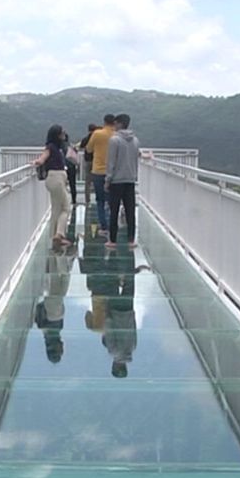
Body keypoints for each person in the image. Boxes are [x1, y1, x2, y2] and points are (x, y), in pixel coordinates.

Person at [102, 247, 140, 378]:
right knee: (112, 281)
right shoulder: (113, 351)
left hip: (128, 311)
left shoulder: (132, 348)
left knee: (129, 282)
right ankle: (113, 252)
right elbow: (109, 329)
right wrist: (106, 315)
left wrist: (133, 314)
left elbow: (134, 329)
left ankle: (128, 251)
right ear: (115, 366)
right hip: (114, 312)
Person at [32, 124, 72, 246]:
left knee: (56, 209)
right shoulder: (51, 147)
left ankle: (55, 236)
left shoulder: (56, 147)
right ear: (57, 135)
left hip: (55, 179)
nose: (63, 135)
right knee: (66, 207)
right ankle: (59, 234)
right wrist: (37, 161)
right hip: (56, 179)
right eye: (61, 133)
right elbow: (43, 158)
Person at [104, 113, 140, 248]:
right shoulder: (135, 140)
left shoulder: (114, 140)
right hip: (130, 179)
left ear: (119, 124)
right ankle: (131, 240)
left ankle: (112, 240)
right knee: (130, 210)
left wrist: (108, 179)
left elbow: (111, 162)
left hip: (116, 181)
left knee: (114, 210)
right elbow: (135, 160)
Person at [35, 245, 72, 362]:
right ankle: (54, 254)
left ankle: (56, 254)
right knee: (56, 276)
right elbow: (38, 312)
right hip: (51, 306)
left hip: (54, 310)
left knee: (58, 278)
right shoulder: (45, 332)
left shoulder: (53, 332)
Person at [85, 114, 117, 236]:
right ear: (114, 123)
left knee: (100, 200)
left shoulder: (97, 134)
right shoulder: (116, 135)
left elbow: (88, 149)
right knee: (112, 200)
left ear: (104, 122)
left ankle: (104, 227)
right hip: (113, 171)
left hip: (98, 170)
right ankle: (112, 224)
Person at [61, 130, 79, 205]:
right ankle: (74, 200)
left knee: (63, 184)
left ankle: (63, 201)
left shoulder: (61, 146)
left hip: (64, 167)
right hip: (72, 166)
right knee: (72, 184)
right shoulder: (70, 145)